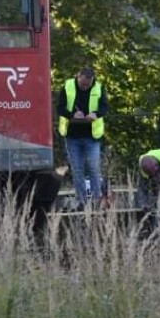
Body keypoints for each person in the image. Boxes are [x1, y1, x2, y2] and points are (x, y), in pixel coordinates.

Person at [57, 66, 108, 210]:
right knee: (77, 170)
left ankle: (97, 200)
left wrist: (96, 114)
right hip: (72, 136)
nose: (85, 87)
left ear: (92, 80)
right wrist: (72, 114)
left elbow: (105, 107)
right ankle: (81, 201)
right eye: (83, 84)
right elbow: (60, 108)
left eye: (88, 84)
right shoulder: (67, 86)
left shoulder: (98, 87)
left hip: (92, 136)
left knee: (93, 168)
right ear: (78, 77)